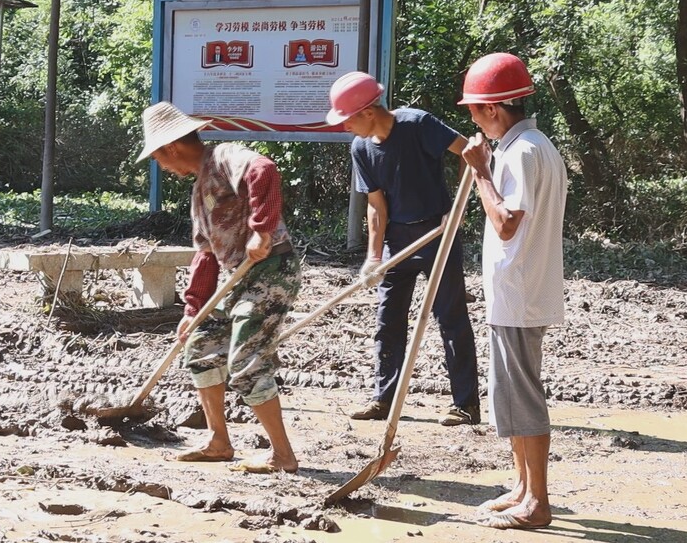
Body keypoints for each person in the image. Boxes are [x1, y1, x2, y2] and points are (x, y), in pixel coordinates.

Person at [136, 101, 302, 474]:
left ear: (171, 147)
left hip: (271, 269)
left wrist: (261, 230)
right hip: (235, 278)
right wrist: (193, 311)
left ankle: (282, 455)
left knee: (245, 362)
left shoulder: (225, 157)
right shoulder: (199, 193)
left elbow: (265, 171)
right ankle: (218, 442)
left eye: (159, 158)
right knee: (200, 346)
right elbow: (206, 256)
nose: (162, 166)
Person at [326, 71, 480, 427]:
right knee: (387, 319)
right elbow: (376, 205)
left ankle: (465, 405)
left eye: (346, 119)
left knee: (450, 317)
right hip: (397, 241)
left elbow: (469, 151)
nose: (344, 127)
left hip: (437, 232)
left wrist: (459, 208)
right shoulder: (361, 148)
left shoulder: (418, 125)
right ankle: (384, 398)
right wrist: (373, 258)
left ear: (367, 111)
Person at [458, 52, 566, 530]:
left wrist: (480, 169)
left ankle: (537, 503)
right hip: (517, 291)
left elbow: (504, 223)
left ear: (494, 109)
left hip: (520, 291)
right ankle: (522, 487)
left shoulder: (522, 152)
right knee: (509, 394)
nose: (473, 120)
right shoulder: (532, 145)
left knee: (522, 397)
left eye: (474, 110)